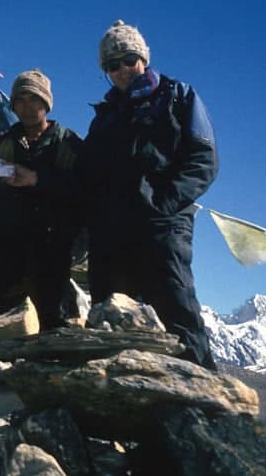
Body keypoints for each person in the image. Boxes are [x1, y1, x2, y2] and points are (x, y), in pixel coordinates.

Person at [78, 20, 218, 369]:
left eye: (129, 60)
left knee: (176, 310)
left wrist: (164, 204)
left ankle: (208, 392)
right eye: (112, 66)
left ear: (143, 58)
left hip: (162, 226)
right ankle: (118, 397)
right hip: (111, 232)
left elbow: (203, 159)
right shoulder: (104, 117)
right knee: (109, 318)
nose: (122, 70)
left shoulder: (178, 96)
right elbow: (87, 175)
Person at [0, 69, 82, 330]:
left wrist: (37, 180)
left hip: (53, 243)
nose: (27, 107)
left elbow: (82, 188)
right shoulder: (2, 145)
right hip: (7, 241)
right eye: (21, 101)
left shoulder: (67, 143)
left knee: (53, 315)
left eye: (34, 99)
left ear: (46, 103)